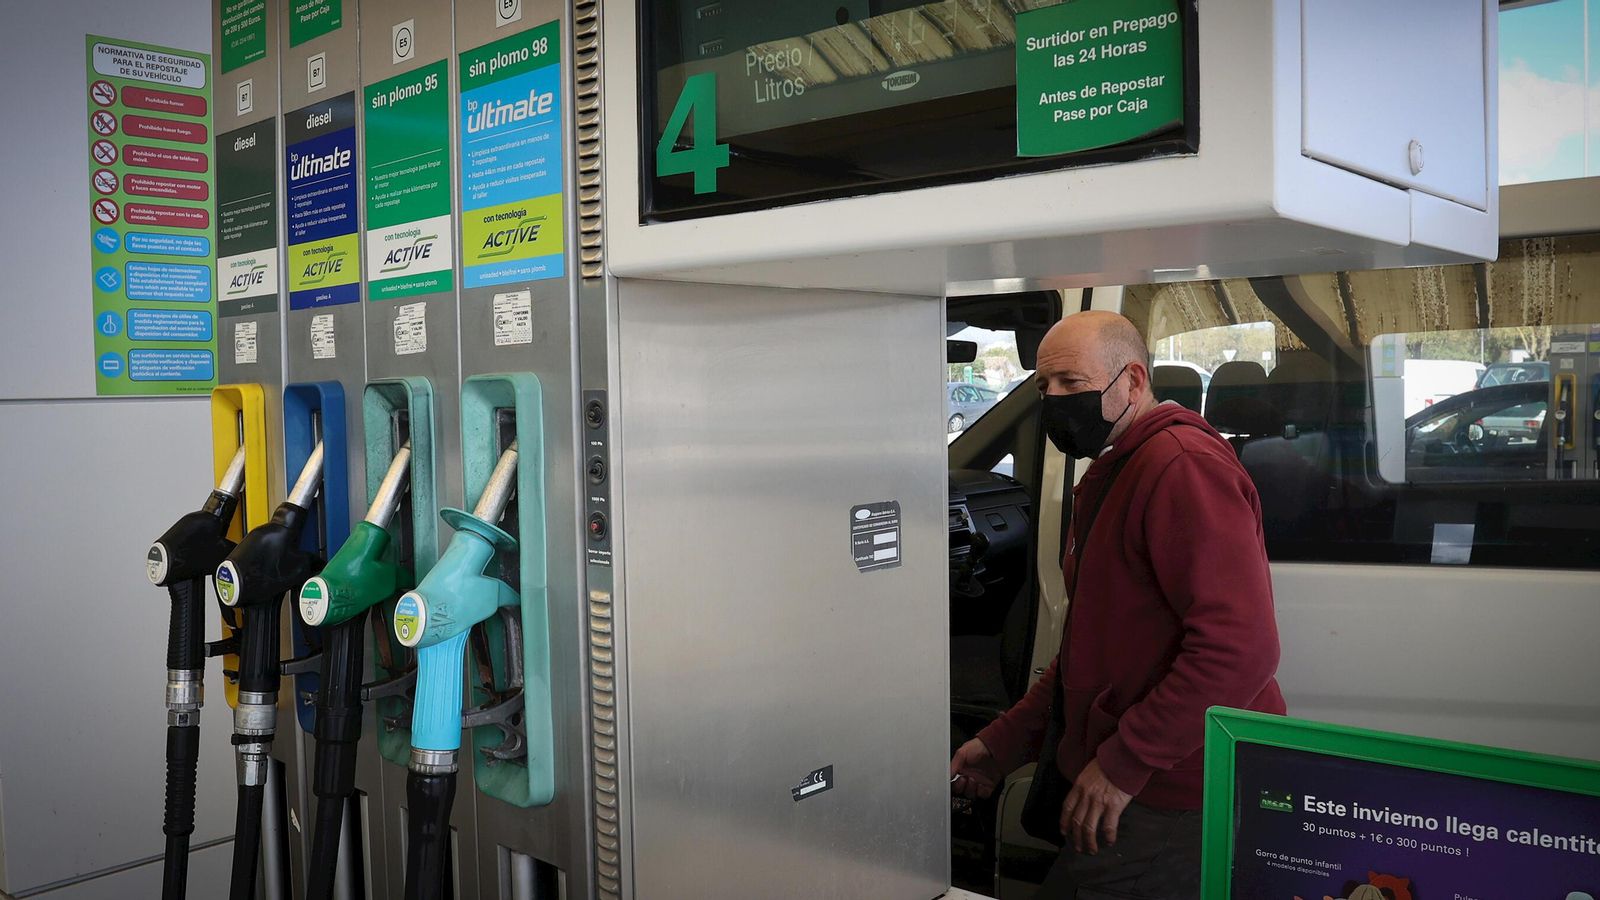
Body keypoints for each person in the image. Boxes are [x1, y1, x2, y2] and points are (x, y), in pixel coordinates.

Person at [950, 311, 1285, 899]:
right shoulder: (1123, 467)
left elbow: (1240, 648)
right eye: (1043, 386)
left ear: (1132, 380)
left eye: (1071, 384)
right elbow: (1091, 655)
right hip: (1138, 783)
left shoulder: (1180, 467)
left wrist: (1123, 765)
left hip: (1173, 792)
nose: (1053, 399)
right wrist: (1001, 746)